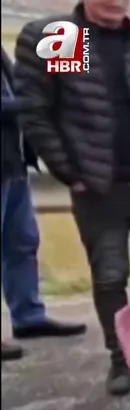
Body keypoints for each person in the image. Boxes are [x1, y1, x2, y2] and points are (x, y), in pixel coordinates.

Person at [13, 0, 130, 394]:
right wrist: (71, 172)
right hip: (100, 190)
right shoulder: (65, 38)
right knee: (111, 277)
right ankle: (122, 361)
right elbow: (37, 112)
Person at [2, 47, 87, 363]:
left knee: (22, 243)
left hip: (12, 166)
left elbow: (17, 90)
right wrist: (36, 103)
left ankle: (28, 317)